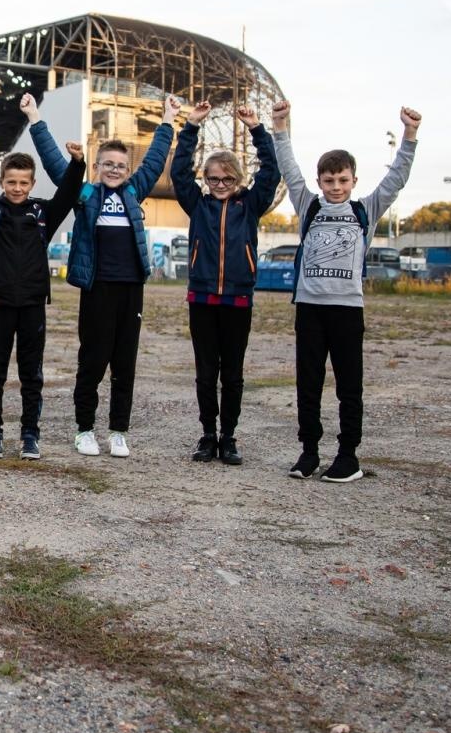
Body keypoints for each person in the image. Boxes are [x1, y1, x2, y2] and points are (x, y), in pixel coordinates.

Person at [271, 99, 420, 483]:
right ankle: (308, 453)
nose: (335, 187)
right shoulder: (308, 206)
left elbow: (397, 178)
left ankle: (348, 456)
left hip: (347, 309)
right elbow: (288, 167)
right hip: (310, 308)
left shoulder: (365, 210)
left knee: (349, 387)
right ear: (320, 182)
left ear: (353, 180)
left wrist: (409, 135)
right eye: (328, 181)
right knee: (308, 384)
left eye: (342, 180)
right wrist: (281, 125)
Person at [32, 95, 179, 458]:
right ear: (96, 166)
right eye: (108, 164)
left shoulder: (134, 192)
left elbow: (157, 157)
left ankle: (118, 432)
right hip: (96, 288)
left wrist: (168, 119)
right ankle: (84, 429)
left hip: (131, 289)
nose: (114, 170)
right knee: (93, 360)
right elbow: (56, 166)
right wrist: (35, 118)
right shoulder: (84, 194)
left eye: (121, 165)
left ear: (128, 171)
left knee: (124, 362)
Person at [0, 93, 85, 461]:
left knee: (32, 376)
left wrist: (77, 164)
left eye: (24, 183)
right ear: (2, 180)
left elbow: (68, 193)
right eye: (11, 182)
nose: (17, 188)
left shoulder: (44, 215)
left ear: (32, 184)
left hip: (32, 307)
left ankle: (30, 435)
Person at [169, 100, 280, 465]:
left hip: (237, 300)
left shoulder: (250, 204)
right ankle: (207, 435)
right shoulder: (196, 204)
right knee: (205, 374)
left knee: (232, 375)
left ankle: (228, 437)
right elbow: (179, 173)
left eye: (227, 179)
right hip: (201, 299)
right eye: (213, 178)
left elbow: (272, 171)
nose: (219, 185)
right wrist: (191, 127)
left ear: (238, 179)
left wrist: (256, 129)